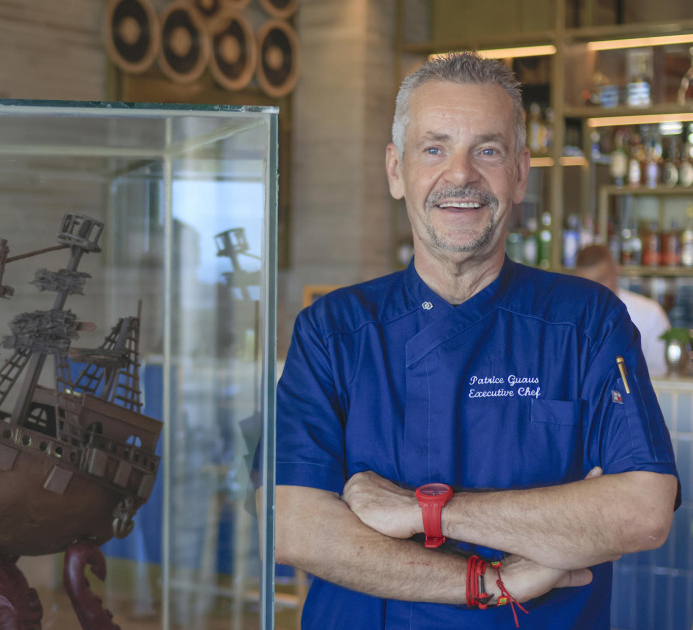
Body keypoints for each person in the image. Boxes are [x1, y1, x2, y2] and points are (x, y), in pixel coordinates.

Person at [273, 52, 680, 629]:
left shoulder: (587, 321)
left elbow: (641, 514)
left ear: (519, 173)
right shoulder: (332, 331)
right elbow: (294, 527)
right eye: (434, 148)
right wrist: (490, 581)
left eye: (487, 150)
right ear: (395, 170)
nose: (460, 173)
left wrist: (421, 511)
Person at [574, 244, 671, 377]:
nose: (594, 290)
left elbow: (661, 374)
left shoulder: (650, 313)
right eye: (585, 283)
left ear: (617, 271)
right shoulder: (567, 317)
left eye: (601, 280)